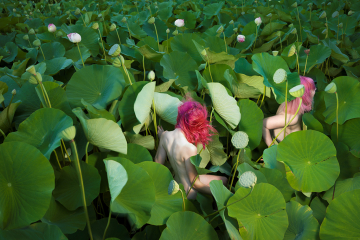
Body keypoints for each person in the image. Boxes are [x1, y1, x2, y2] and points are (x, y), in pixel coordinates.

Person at [154, 97, 227, 200]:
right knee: (223, 185)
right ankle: (216, 208)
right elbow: (195, 184)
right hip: (189, 193)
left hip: (176, 186)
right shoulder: (189, 148)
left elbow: (157, 163)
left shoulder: (165, 136)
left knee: (223, 180)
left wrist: (161, 135)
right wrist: (220, 193)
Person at [262, 76, 316, 147]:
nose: (315, 90)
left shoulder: (288, 101)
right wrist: (271, 149)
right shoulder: (291, 117)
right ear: (305, 94)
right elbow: (263, 123)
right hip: (288, 147)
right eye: (312, 89)